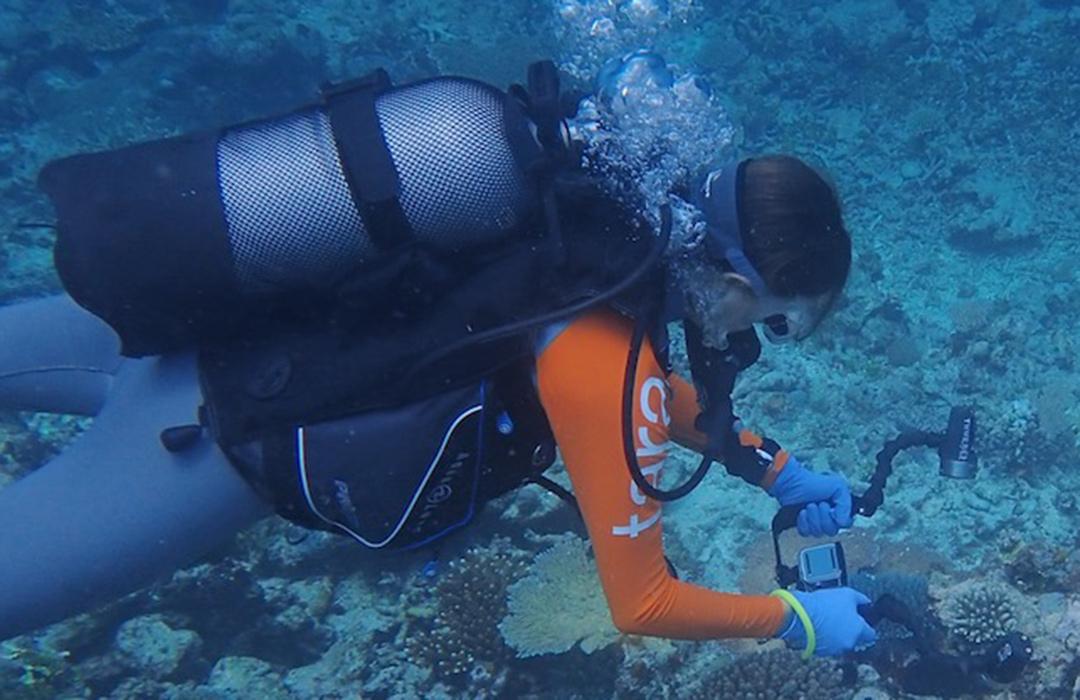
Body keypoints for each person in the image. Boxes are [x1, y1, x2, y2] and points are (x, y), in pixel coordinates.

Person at [0, 62, 875, 660]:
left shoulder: (589, 234)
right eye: (777, 322)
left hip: (211, 320)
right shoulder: (609, 348)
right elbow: (641, 603)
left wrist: (778, 472)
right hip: (204, 441)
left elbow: (636, 391)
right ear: (731, 279)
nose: (753, 341)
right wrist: (794, 618)